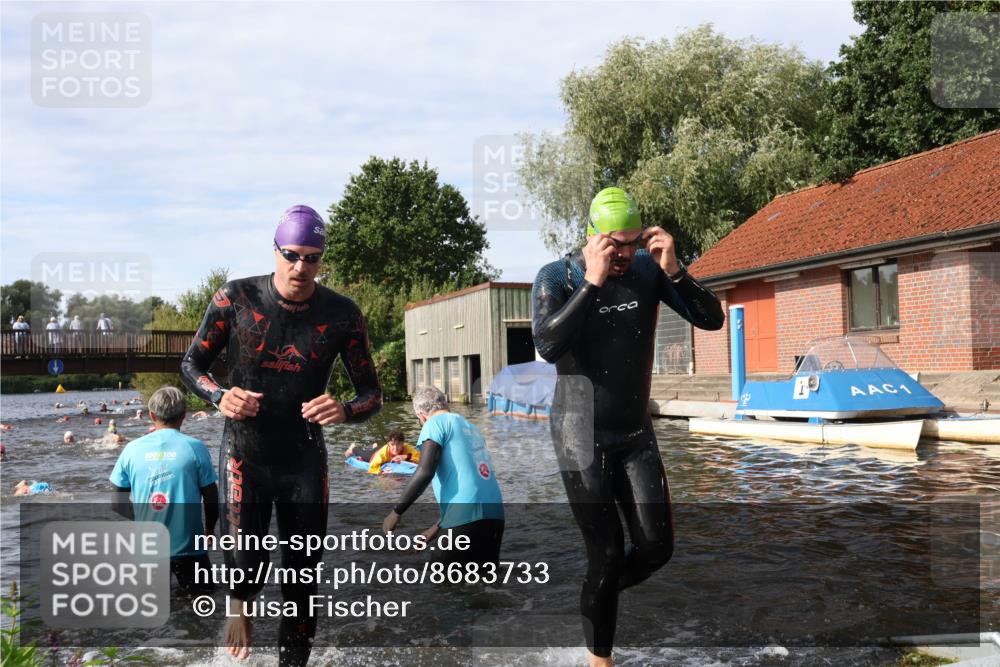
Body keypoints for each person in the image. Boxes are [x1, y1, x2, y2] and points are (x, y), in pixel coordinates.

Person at [180, 204, 382, 666]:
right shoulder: (236, 298)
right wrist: (218, 396)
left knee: (303, 576)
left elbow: (372, 393)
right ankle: (240, 604)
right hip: (245, 455)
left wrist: (345, 409)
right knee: (246, 564)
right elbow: (191, 365)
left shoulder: (343, 314)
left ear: (322, 258)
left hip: (304, 459)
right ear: (275, 251)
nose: (301, 267)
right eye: (291, 254)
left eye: (312, 257)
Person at [531, 187, 725, 666]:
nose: (625, 254)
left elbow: (713, 319)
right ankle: (601, 658)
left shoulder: (646, 271)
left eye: (633, 242)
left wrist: (674, 270)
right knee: (608, 552)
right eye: (616, 244)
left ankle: (595, 594)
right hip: (579, 435)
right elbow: (548, 345)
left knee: (657, 548)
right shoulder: (558, 275)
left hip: (635, 434)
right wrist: (591, 284)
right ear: (593, 238)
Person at [109, 386, 219, 593]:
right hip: (190, 548)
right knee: (202, 609)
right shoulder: (195, 448)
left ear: (151, 415)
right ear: (184, 416)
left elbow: (117, 503)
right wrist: (210, 530)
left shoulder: (131, 450)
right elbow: (212, 499)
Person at [382, 386, 504, 566]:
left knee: (442, 584)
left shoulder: (434, 424)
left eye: (419, 420)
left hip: (465, 516)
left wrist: (396, 512)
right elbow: (470, 483)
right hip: (495, 517)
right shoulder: (471, 428)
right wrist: (437, 527)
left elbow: (425, 472)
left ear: (422, 415)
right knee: (486, 583)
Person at [347, 430, 420, 474]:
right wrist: (381, 473)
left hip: (381, 448)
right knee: (363, 454)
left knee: (378, 449)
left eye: (398, 444)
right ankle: (353, 448)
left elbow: (421, 458)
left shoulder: (407, 448)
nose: (395, 448)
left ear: (403, 443)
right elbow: (372, 468)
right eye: (392, 445)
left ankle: (375, 446)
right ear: (388, 444)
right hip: (375, 454)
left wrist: (406, 456)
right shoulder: (382, 453)